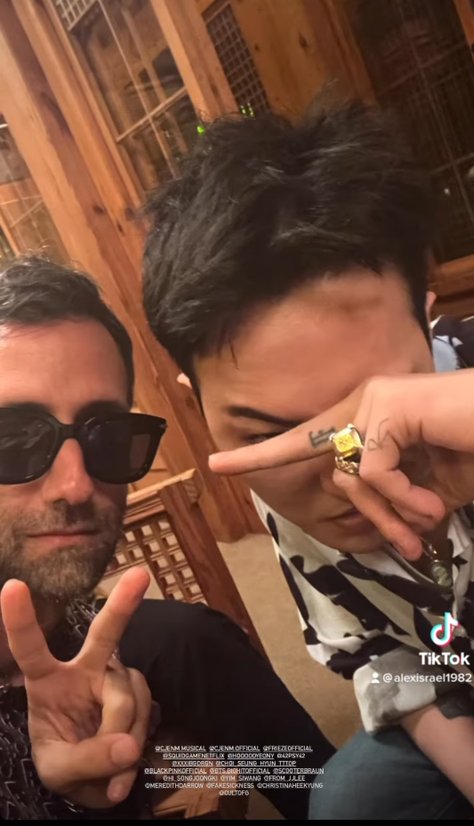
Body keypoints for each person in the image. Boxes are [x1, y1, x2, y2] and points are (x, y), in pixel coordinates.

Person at [142, 97, 474, 819]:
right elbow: (394, 655)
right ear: (198, 409)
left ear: (426, 320)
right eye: (277, 434)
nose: (349, 470)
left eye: (373, 407)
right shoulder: (274, 486)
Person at [0, 256, 332, 820]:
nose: (77, 485)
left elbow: (316, 785)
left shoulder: (174, 647)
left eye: (107, 435)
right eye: (12, 439)